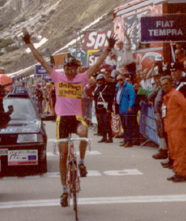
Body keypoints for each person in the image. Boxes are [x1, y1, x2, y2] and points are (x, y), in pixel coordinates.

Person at [22, 28, 115, 208]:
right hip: (62, 119)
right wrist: (29, 44)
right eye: (68, 69)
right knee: (63, 156)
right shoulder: (57, 77)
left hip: (77, 117)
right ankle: (64, 190)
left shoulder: (81, 78)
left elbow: (97, 66)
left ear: (77, 69)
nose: (71, 72)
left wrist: (108, 49)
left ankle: (81, 162)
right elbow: (41, 59)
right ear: (64, 69)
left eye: (73, 68)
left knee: (84, 131)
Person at [159, 75, 186, 182]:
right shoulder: (167, 96)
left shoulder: (175, 94)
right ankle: (177, 171)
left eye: (166, 84)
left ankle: (182, 173)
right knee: (174, 152)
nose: (165, 86)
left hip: (178, 128)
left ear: (171, 83)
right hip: (171, 128)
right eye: (162, 85)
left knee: (181, 151)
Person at [115, 73, 137, 148]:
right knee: (124, 126)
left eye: (121, 79)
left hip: (127, 109)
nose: (119, 81)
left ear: (124, 79)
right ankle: (125, 140)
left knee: (128, 126)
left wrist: (130, 106)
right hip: (121, 109)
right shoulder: (117, 87)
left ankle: (129, 141)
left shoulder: (129, 87)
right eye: (118, 80)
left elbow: (132, 97)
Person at [94, 74, 115, 143]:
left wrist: (109, 108)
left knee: (107, 123)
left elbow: (110, 99)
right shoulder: (97, 89)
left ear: (104, 81)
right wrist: (96, 111)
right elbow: (95, 100)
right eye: (98, 81)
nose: (100, 82)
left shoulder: (108, 88)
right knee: (101, 123)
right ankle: (104, 137)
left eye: (101, 80)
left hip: (106, 108)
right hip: (99, 108)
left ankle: (110, 138)